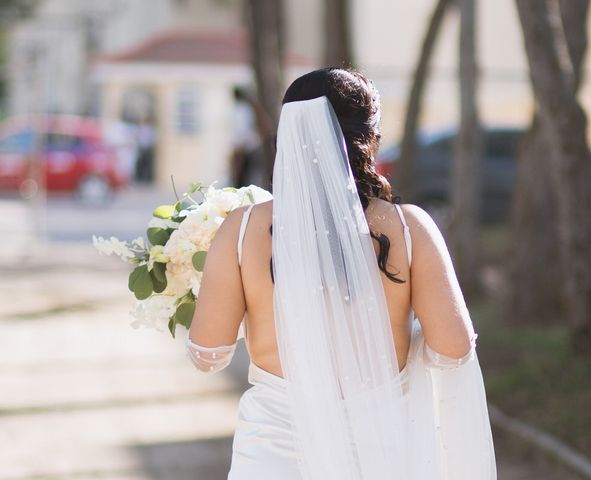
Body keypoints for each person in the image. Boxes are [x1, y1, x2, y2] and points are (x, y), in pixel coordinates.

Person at [186, 68, 496, 479]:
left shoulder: (243, 230)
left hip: (274, 454)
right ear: (369, 139)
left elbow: (209, 353)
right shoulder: (409, 229)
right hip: (381, 450)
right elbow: (454, 349)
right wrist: (391, 338)